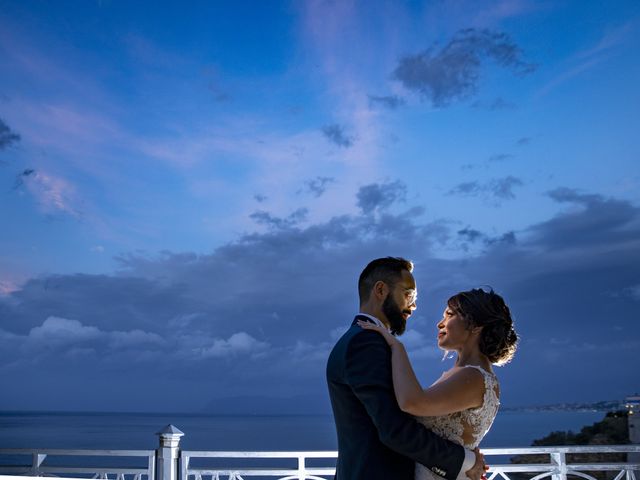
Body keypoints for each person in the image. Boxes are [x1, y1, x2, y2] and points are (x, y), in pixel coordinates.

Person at [326, 257, 486, 480]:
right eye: (408, 294)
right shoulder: (365, 343)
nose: (413, 306)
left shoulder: (362, 340)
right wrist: (464, 461)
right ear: (380, 290)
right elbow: (394, 429)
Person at [358, 287, 518, 480]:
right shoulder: (464, 374)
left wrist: (396, 347)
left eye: (449, 315)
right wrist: (468, 458)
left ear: (476, 325)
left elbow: (411, 402)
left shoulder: (472, 376)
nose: (440, 324)